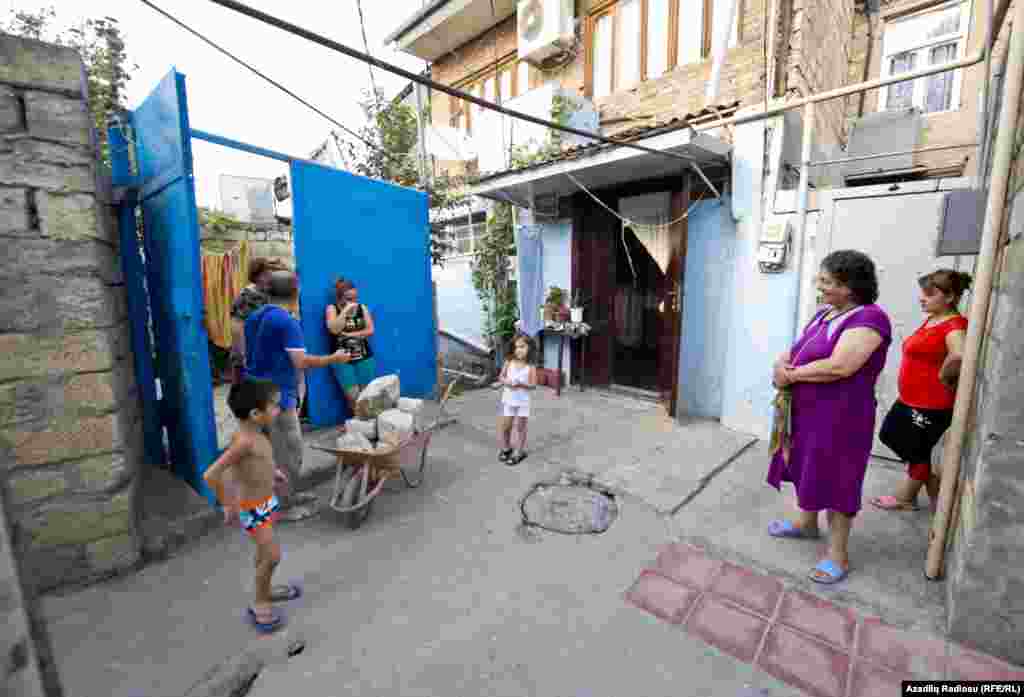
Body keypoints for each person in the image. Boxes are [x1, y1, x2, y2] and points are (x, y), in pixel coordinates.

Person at [766, 250, 893, 585]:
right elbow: (795, 350)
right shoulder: (825, 314)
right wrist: (780, 365)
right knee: (808, 468)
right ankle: (806, 524)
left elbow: (841, 366)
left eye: (826, 282)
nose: (818, 286)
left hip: (842, 418)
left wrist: (790, 376)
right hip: (808, 414)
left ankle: (838, 554)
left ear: (850, 287)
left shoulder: (870, 319)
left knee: (839, 479)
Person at [246, 271, 351, 521]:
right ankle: (282, 508)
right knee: (289, 452)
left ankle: (286, 496)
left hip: (258, 390)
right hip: (277, 397)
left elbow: (245, 351)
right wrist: (334, 358)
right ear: (295, 294)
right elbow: (301, 361)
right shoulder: (286, 322)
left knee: (275, 451)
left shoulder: (256, 317)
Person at [203, 379, 302, 633]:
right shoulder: (243, 442)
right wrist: (227, 504)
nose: (278, 411)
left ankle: (266, 590)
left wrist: (274, 472)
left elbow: (255, 463)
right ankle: (260, 603)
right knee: (272, 557)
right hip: (254, 510)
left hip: (267, 503)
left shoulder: (256, 434)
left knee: (263, 554)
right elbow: (212, 474)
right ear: (256, 414)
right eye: (275, 407)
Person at [871, 269, 971, 513]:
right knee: (891, 435)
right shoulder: (934, 319)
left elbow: (960, 355)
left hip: (931, 404)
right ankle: (930, 484)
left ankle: (906, 497)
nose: (922, 299)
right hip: (911, 399)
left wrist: (944, 376)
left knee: (915, 449)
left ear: (949, 297)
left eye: (929, 294)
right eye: (922, 293)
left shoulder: (954, 325)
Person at [229, 258, 285, 385]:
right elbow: (237, 327)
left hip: (263, 356)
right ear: (257, 276)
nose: (269, 277)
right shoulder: (246, 296)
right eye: (266, 274)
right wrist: (244, 355)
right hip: (246, 356)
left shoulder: (266, 293)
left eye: (269, 274)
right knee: (245, 397)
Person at [325, 279, 376, 415]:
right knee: (352, 395)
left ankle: (366, 424)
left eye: (355, 298)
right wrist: (346, 311)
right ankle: (358, 421)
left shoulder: (362, 308)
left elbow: (370, 330)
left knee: (367, 394)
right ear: (340, 297)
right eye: (349, 298)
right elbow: (334, 329)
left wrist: (352, 335)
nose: (353, 301)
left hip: (364, 356)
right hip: (342, 359)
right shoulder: (332, 309)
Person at [494, 335, 537, 466]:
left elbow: (533, 385)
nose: (519, 350)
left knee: (520, 427)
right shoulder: (509, 362)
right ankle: (507, 448)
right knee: (506, 426)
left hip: (523, 402)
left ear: (530, 349)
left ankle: (520, 451)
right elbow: (501, 377)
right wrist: (506, 381)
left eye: (523, 347)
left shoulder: (531, 367)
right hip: (508, 400)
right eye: (516, 347)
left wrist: (521, 385)